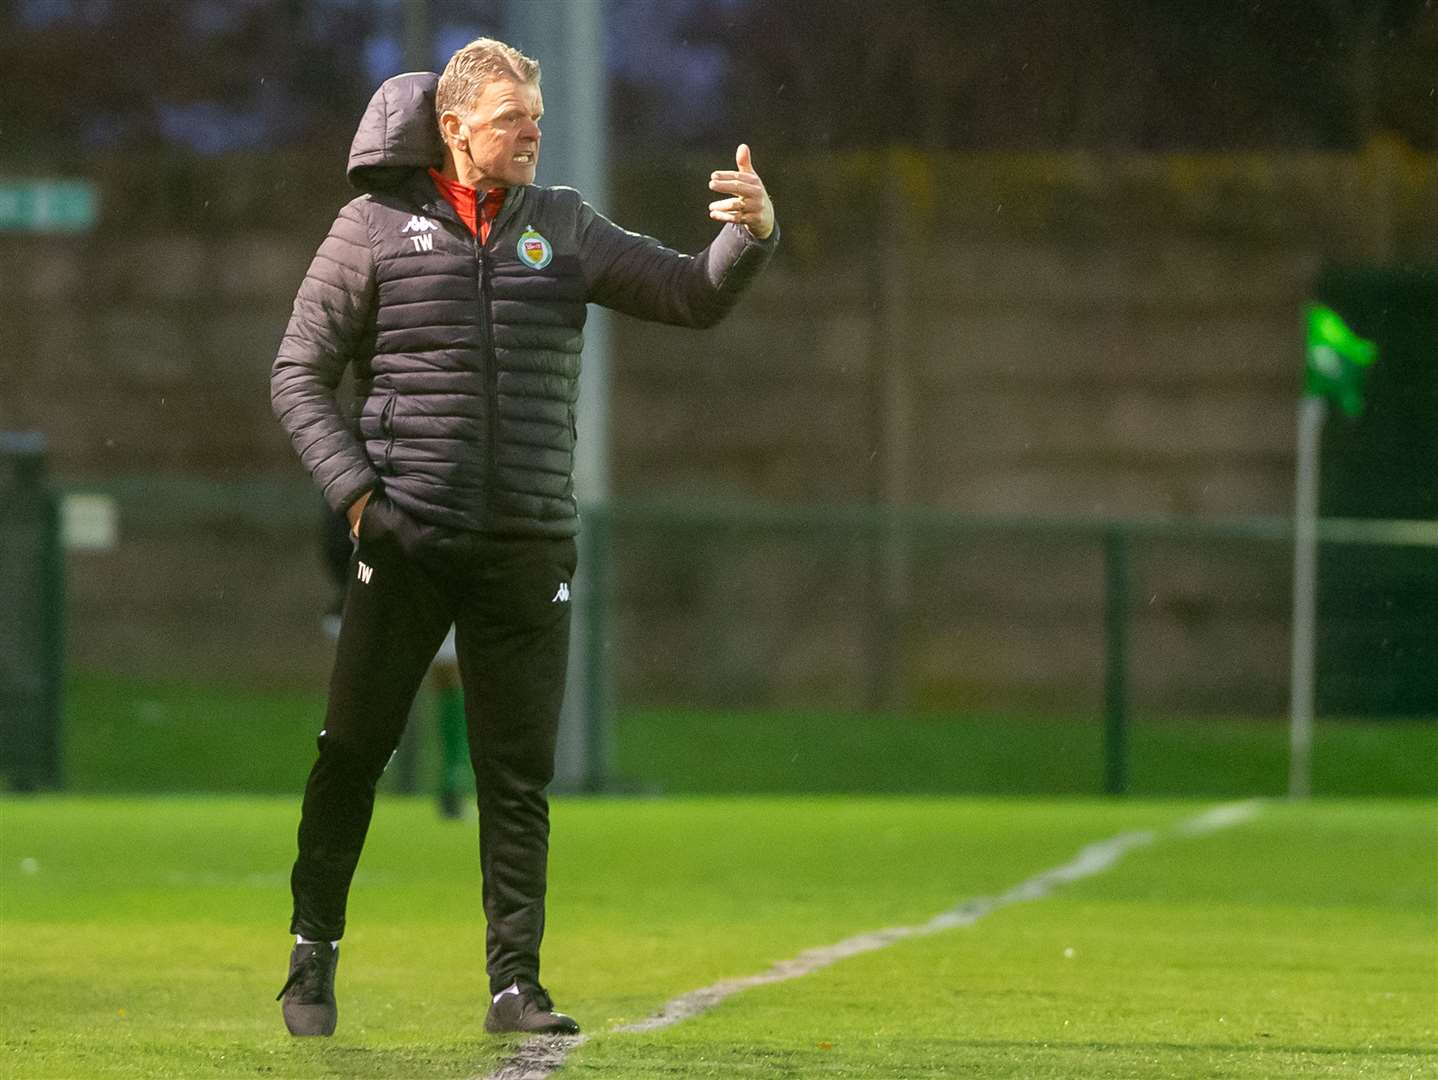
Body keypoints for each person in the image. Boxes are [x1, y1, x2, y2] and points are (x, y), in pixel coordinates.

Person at [270, 37, 777, 1038]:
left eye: (533, 118)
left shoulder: (563, 226)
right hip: (406, 543)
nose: (530, 134)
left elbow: (688, 293)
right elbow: (297, 373)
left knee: (516, 779)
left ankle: (516, 986)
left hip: (527, 549)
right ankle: (310, 957)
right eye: (510, 120)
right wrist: (361, 498)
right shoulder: (369, 229)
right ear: (454, 129)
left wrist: (749, 238)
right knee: (351, 756)